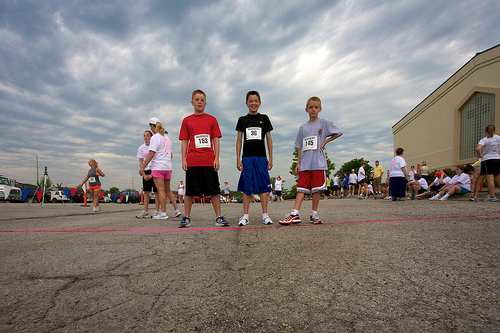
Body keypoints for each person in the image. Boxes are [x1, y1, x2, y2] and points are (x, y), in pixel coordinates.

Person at [279, 96, 343, 225]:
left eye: (315, 107)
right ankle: (295, 213)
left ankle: (314, 213)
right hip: (305, 163)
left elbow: (338, 132)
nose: (313, 110)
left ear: (320, 109)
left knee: (316, 189)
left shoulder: (323, 122)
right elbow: (299, 146)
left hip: (318, 162)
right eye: (310, 107)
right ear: (306, 109)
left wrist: (325, 141)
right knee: (301, 188)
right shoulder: (303, 127)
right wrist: (298, 163)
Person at [178, 90, 228, 228]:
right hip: (193, 161)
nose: (199, 102)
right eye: (197, 99)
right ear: (192, 102)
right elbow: (184, 141)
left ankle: (218, 217)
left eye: (202, 100)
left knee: (214, 191)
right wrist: (184, 159)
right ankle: (186, 217)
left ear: (205, 103)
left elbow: (216, 139)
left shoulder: (212, 119)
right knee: (190, 192)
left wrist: (216, 158)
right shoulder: (187, 120)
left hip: (208, 160)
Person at [236, 91, 274, 226]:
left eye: (256, 101)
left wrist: (270, 158)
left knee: (264, 187)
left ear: (260, 103)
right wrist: (238, 159)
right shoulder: (242, 120)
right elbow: (239, 140)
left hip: (261, 157)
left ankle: (265, 215)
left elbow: (269, 139)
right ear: (246, 103)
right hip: (246, 158)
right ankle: (245, 216)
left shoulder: (264, 118)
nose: (253, 103)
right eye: (251, 101)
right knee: (247, 188)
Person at [141, 117, 181, 220]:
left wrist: (143, 167)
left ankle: (163, 213)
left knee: (161, 190)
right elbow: (171, 155)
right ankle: (176, 210)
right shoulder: (167, 138)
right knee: (168, 189)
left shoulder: (155, 138)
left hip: (158, 167)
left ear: (153, 126)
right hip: (168, 167)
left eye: (151, 126)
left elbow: (150, 154)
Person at [471, 125, 500, 202]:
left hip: (487, 159)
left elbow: (478, 148)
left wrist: (480, 155)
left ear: (485, 131)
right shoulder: (498, 138)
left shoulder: (484, 140)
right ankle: (492, 195)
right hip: (497, 158)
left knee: (490, 179)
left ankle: (492, 196)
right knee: (498, 178)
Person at [136, 130, 160, 218]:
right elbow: (141, 162)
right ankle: (145, 211)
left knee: (156, 191)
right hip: (145, 170)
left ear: (151, 137)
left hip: (154, 169)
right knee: (146, 191)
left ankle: (157, 210)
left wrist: (152, 174)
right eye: (144, 135)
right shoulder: (141, 148)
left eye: (147, 135)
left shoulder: (154, 147)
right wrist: (143, 174)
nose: (145, 137)